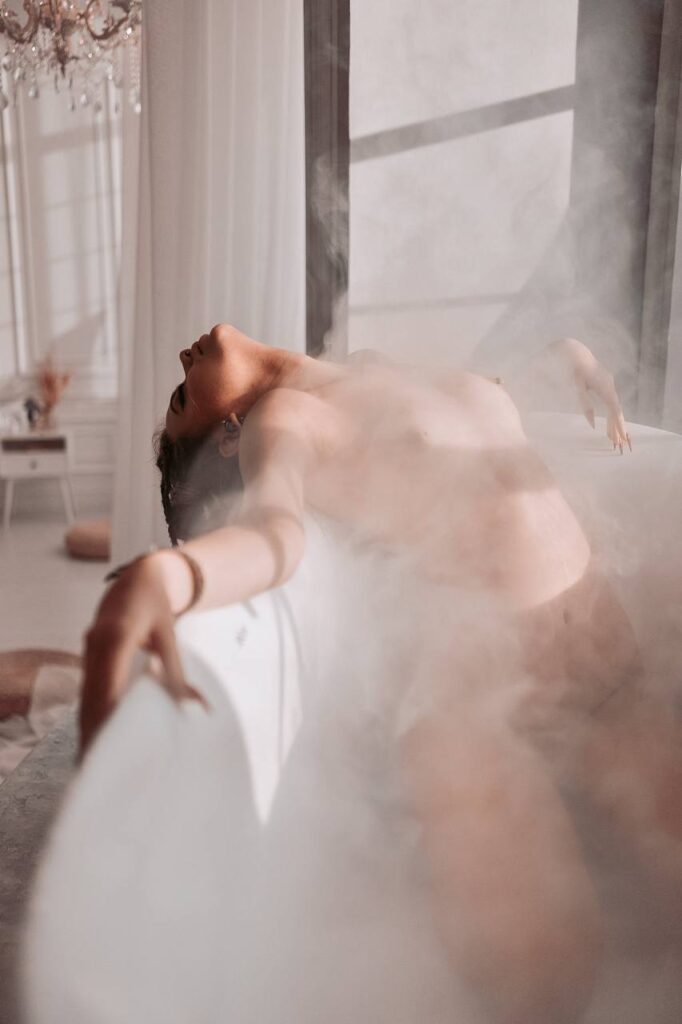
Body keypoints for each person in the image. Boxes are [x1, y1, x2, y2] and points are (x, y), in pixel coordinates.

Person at [79, 324, 680, 1024]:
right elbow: (277, 531)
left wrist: (570, 357)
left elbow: (485, 408)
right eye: (185, 396)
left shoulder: (369, 366)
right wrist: (177, 575)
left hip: (607, 667)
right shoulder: (283, 421)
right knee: (549, 981)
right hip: (490, 708)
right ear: (229, 438)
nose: (184, 357)